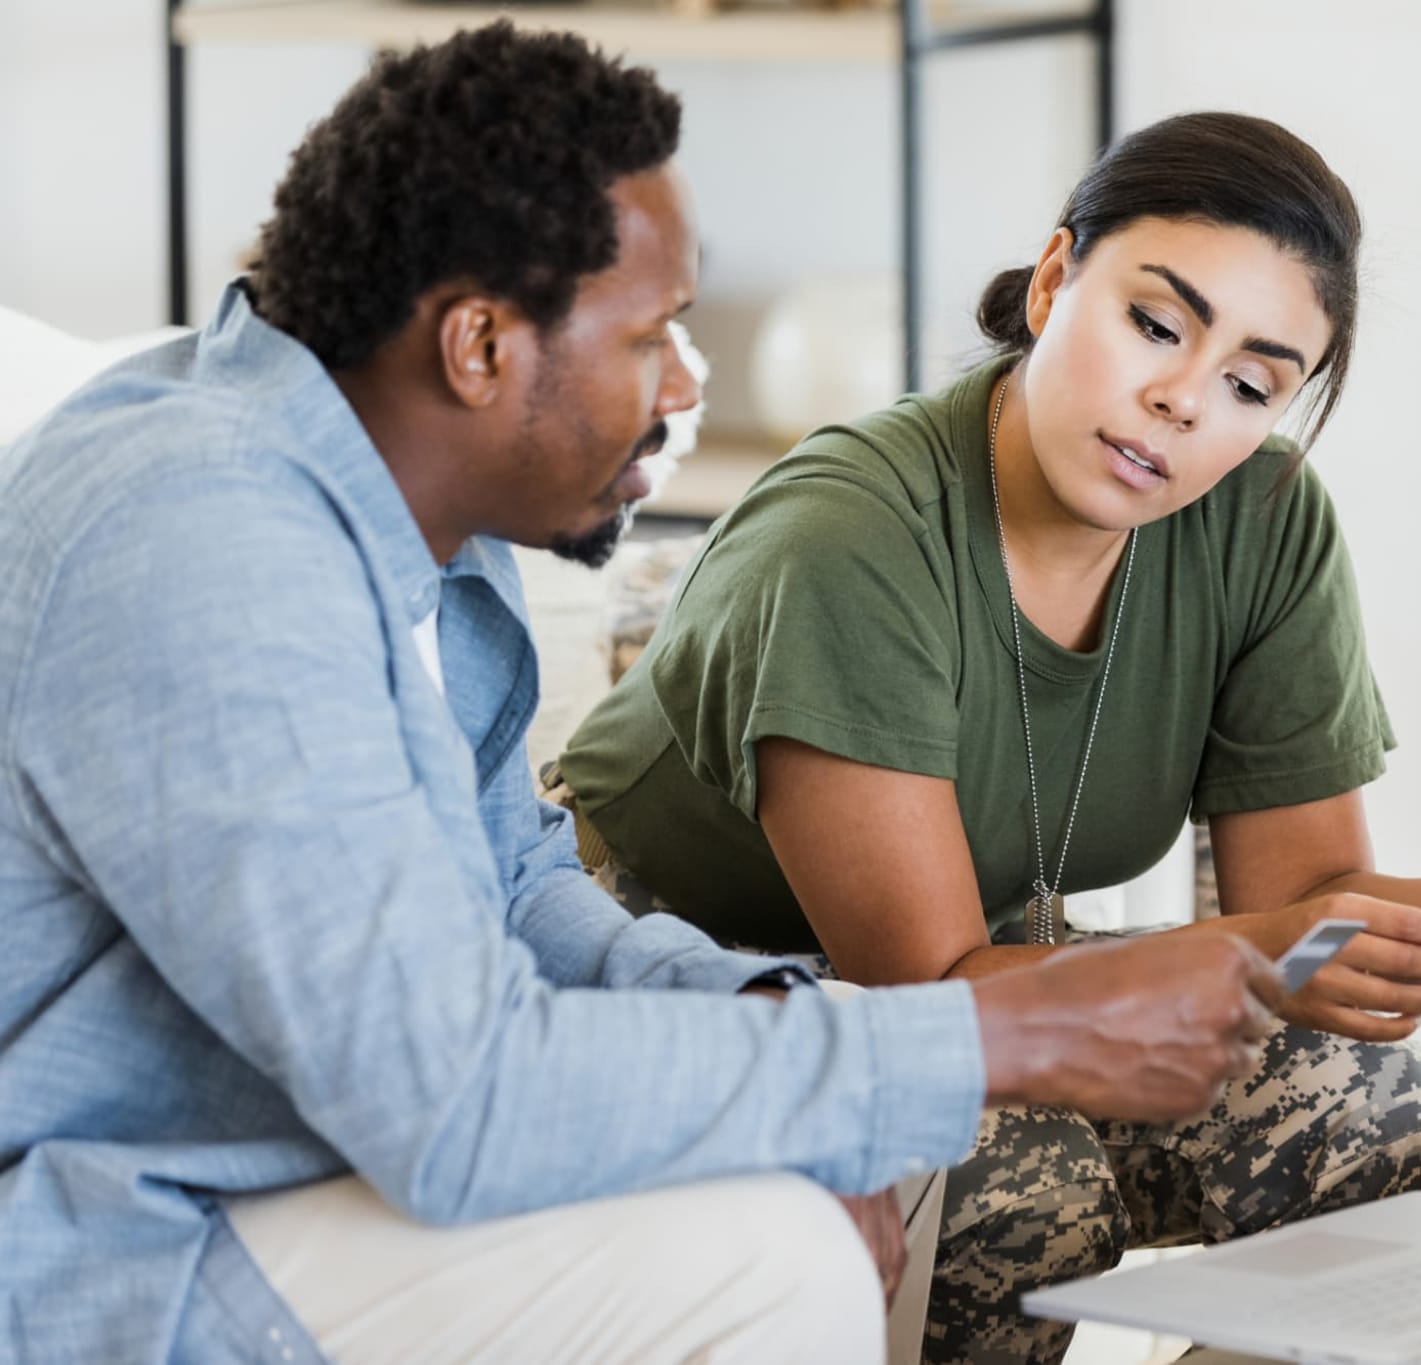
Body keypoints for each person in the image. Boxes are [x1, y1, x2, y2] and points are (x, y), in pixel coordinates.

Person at [0, 27, 1290, 1365]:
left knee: (890, 1114)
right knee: (767, 1254)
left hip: (306, 1145)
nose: (685, 385)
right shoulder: (202, 545)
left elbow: (510, 886)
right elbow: (452, 1099)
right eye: (650, 334)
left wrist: (780, 1026)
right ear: (481, 348)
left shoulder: (416, 521)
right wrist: (964, 1038)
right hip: (122, 1224)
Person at [557, 110, 1421, 1363]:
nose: (1179, 402)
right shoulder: (850, 541)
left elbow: (1302, 906)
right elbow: (925, 995)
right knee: (1005, 1173)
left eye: (1250, 385)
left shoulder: (1262, 526)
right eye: (1154, 323)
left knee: (1366, 1102)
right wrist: (1248, 948)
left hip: (988, 971)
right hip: (675, 990)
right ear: (1051, 281)